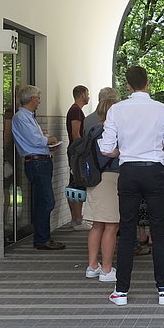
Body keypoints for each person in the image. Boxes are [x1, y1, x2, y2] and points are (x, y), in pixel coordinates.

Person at [98, 66, 164, 306]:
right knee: (158, 231)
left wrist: (122, 150)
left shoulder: (116, 109)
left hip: (129, 172)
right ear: (148, 82)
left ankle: (121, 291)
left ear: (127, 85)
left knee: (127, 229)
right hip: (155, 171)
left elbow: (106, 148)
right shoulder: (163, 110)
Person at [10, 85, 65, 250]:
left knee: (43, 200)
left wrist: (48, 147)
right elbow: (35, 140)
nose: (40, 101)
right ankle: (42, 238)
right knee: (46, 201)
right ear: (32, 98)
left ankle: (43, 236)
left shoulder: (29, 117)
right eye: (38, 98)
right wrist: (48, 140)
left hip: (41, 160)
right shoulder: (21, 117)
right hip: (36, 163)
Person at [83, 98, 120, 282]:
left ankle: (92, 266)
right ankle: (106, 269)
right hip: (110, 179)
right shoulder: (110, 132)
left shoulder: (93, 131)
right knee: (111, 226)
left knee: (97, 225)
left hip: (94, 180)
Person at [66, 85, 92, 231]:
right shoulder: (76, 111)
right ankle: (78, 219)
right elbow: (76, 134)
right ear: (82, 94)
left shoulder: (75, 110)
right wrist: (83, 150)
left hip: (74, 152)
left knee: (74, 183)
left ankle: (75, 218)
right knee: (77, 183)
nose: (88, 96)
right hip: (77, 153)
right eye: (87, 93)